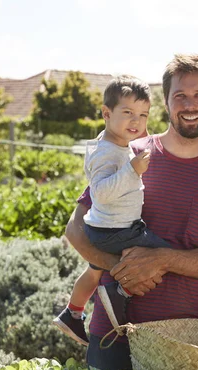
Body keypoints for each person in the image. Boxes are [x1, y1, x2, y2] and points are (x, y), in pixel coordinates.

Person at [64, 54, 198, 370]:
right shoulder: (129, 153)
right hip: (115, 336)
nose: (190, 104)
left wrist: (161, 259)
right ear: (166, 101)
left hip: (188, 340)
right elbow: (75, 229)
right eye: (180, 96)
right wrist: (121, 266)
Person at [53, 75, 171, 346]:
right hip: (117, 230)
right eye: (128, 113)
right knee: (163, 254)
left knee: (93, 271)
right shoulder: (108, 153)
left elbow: (130, 134)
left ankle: (72, 313)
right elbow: (101, 193)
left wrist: (139, 135)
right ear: (106, 113)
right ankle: (119, 291)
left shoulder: (112, 143)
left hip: (104, 228)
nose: (137, 122)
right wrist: (132, 171)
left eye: (143, 115)